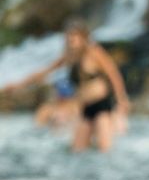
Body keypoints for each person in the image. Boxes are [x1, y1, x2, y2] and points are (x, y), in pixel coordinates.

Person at [1, 19, 130, 152]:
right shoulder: (69, 56)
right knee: (77, 149)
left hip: (102, 106)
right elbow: (44, 72)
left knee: (105, 148)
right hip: (85, 108)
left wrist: (122, 99)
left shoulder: (94, 52)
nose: (71, 39)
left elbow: (113, 74)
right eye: (69, 36)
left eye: (75, 36)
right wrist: (18, 84)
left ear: (83, 37)